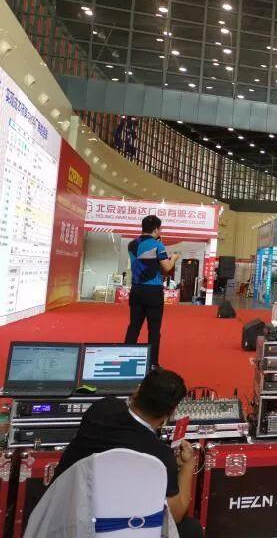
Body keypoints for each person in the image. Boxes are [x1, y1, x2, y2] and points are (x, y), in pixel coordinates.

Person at [53, 369, 203, 538]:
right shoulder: (160, 456)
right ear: (171, 412)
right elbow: (175, 515)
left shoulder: (101, 408)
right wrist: (188, 466)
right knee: (191, 528)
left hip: (62, 519)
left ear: (137, 391)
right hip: (111, 530)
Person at [125, 215, 180, 369]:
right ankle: (153, 364)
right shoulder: (158, 245)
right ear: (156, 229)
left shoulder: (131, 244)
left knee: (134, 326)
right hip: (153, 291)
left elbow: (143, 260)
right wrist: (174, 258)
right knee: (154, 330)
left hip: (136, 290)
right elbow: (167, 267)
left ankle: (125, 358)